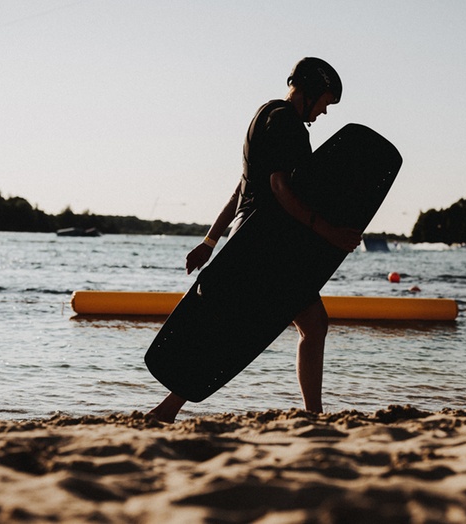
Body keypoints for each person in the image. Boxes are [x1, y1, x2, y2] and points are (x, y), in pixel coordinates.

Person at [148, 57, 361, 423]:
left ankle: (169, 409)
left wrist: (211, 241)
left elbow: (240, 190)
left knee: (305, 324)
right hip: (267, 246)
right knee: (258, 327)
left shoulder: (263, 116)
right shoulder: (289, 124)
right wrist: (327, 231)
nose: (324, 112)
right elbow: (280, 188)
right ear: (311, 91)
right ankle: (168, 409)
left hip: (249, 240)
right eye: (325, 102)